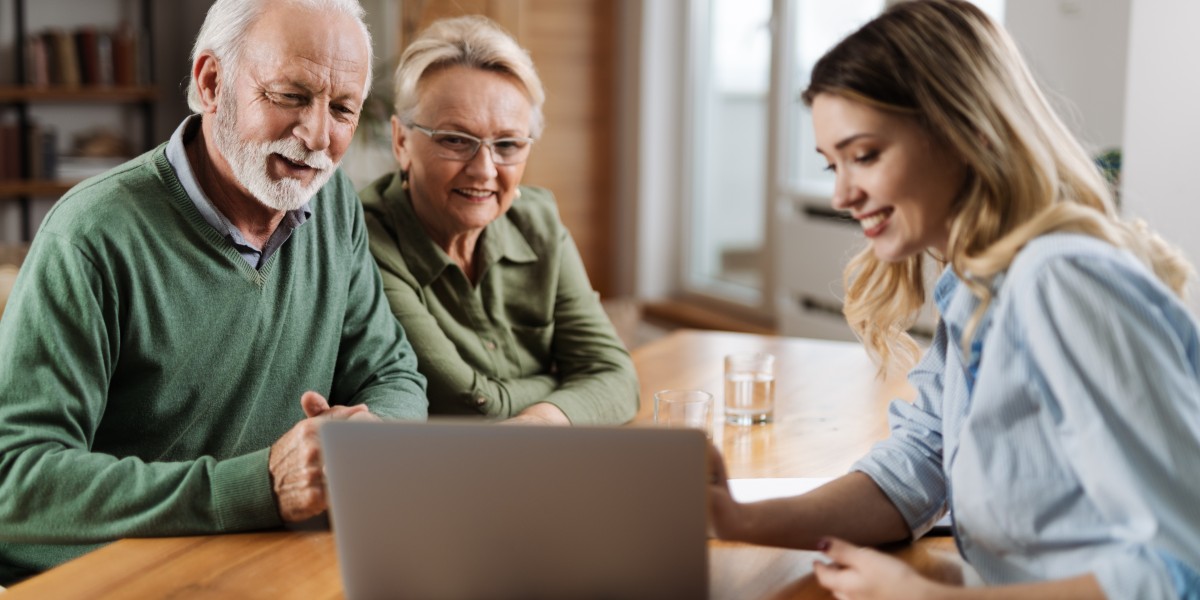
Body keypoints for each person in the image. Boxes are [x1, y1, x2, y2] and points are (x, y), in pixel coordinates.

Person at [707, 1, 1200, 598]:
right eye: (831, 163)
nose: (841, 194)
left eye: (864, 156)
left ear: (962, 133)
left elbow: (1179, 566)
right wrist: (736, 518)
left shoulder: (1060, 281)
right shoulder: (975, 284)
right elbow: (917, 467)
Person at [0, 0, 427, 585]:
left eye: (344, 108)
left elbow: (393, 374)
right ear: (211, 83)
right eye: (290, 96)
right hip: (110, 581)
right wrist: (258, 486)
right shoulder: (90, 235)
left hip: (264, 564)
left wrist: (370, 444)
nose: (318, 137)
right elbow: (16, 481)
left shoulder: (334, 205)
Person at [360, 16, 638, 426]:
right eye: (456, 140)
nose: (484, 170)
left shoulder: (538, 224)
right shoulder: (366, 239)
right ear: (402, 141)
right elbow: (470, 403)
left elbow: (617, 378)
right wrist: (562, 383)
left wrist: (541, 422)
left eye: (507, 144)